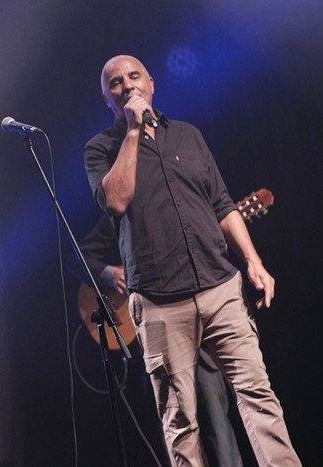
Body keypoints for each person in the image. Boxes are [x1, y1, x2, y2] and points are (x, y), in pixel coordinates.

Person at [83, 55, 300, 466]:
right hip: (160, 302)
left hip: (220, 287)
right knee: (180, 421)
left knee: (258, 397)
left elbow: (222, 203)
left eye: (134, 76)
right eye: (115, 82)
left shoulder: (187, 135)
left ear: (151, 83)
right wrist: (132, 131)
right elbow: (115, 200)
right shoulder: (101, 148)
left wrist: (252, 260)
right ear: (107, 98)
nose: (127, 84)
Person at [70, 215, 245, 467]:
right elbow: (76, 259)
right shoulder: (120, 216)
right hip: (155, 340)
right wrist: (110, 275)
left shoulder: (181, 208)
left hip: (197, 336)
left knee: (218, 427)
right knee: (175, 431)